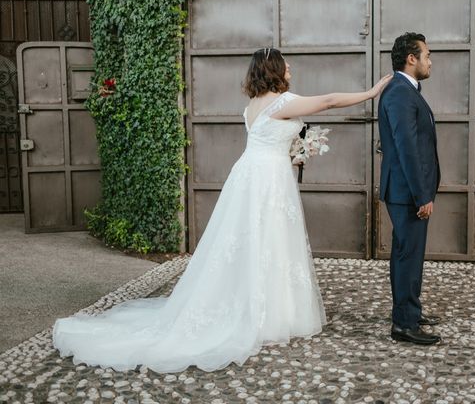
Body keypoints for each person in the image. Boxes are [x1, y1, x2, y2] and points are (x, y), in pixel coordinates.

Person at [52, 48, 391, 373]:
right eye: (286, 65)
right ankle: (267, 314)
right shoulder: (284, 102)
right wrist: (371, 91)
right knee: (268, 240)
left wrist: (298, 150)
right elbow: (330, 101)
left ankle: (261, 306)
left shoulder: (252, 106)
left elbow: (273, 139)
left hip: (251, 174)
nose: (291, 70)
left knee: (251, 241)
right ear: (274, 71)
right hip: (267, 179)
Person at [377, 32, 442, 345]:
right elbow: (407, 148)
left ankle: (408, 312)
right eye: (427, 55)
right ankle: (404, 324)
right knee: (408, 257)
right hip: (407, 193)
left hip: (406, 191)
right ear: (411, 58)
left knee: (407, 255)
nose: (430, 62)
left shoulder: (406, 90)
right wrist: (422, 195)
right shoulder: (401, 93)